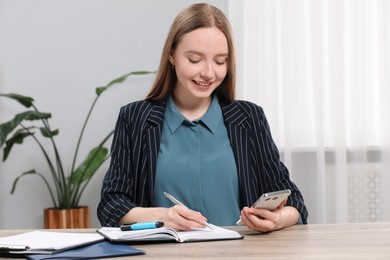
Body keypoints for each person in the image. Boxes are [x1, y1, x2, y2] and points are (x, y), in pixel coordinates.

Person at [97, 3, 308, 232]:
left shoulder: (249, 118)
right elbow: (111, 205)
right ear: (171, 56)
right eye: (195, 60)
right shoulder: (135, 118)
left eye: (220, 61)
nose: (208, 72)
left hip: (239, 253)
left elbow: (294, 201)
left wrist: (279, 218)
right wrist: (162, 216)